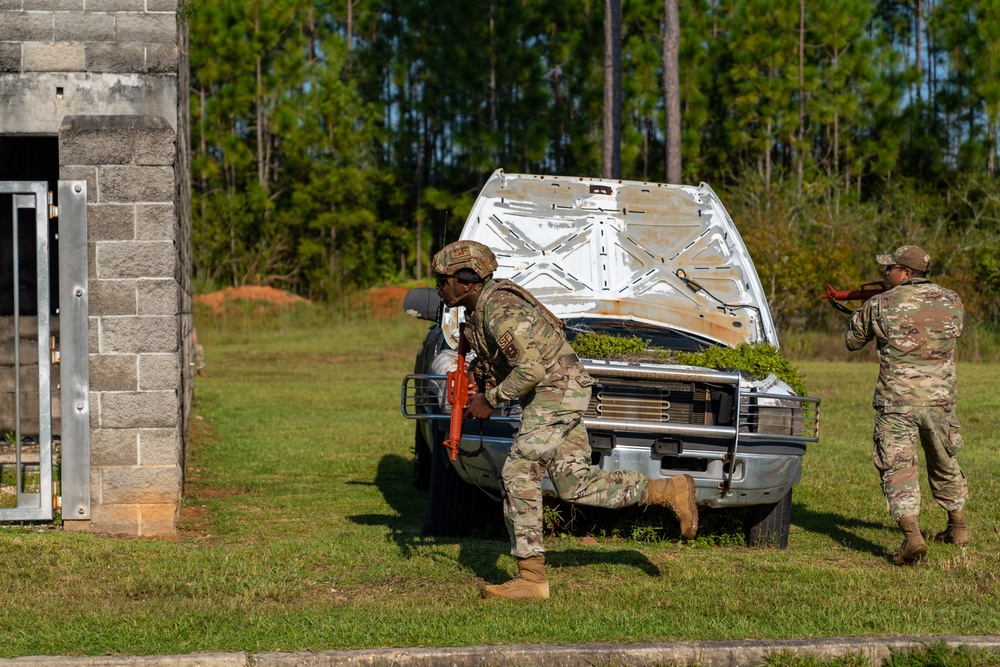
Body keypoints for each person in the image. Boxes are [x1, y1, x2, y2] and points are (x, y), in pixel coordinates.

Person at [432, 240, 698, 600]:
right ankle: (665, 491)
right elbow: (511, 361)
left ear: (466, 280)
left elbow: (531, 367)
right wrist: (485, 382)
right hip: (558, 390)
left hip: (554, 389)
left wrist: (491, 399)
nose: (438, 286)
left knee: (518, 470)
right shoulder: (480, 311)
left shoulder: (500, 308)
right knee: (573, 482)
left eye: (442, 279)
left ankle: (531, 577)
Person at [845, 245, 968, 566]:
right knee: (944, 459)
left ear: (907, 273)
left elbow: (853, 342)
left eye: (890, 268)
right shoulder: (952, 300)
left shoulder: (880, 303)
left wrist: (859, 312)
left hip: (897, 402)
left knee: (898, 466)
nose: (885, 273)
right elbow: (953, 332)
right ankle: (957, 528)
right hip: (940, 399)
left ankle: (913, 537)